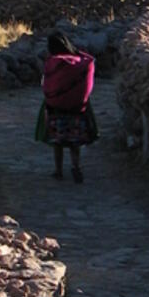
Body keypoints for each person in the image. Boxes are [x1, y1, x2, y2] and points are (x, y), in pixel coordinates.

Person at [35, 31, 98, 183]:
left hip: (56, 109)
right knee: (74, 142)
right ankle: (76, 167)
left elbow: (48, 84)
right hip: (77, 109)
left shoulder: (54, 62)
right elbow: (87, 83)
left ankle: (58, 171)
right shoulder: (81, 63)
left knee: (58, 142)